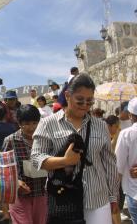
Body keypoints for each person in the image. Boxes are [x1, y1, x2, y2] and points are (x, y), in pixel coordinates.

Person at [31, 73, 119, 224]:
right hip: (63, 199)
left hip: (97, 199)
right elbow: (36, 157)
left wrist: (113, 197)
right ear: (67, 95)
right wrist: (64, 161)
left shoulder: (100, 126)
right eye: (80, 100)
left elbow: (109, 163)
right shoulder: (48, 124)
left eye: (89, 101)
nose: (85, 105)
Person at [3, 104, 47, 224]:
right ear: (19, 123)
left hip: (41, 191)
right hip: (20, 195)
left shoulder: (45, 138)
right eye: (26, 124)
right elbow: (4, 168)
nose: (31, 127)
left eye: (34, 123)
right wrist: (16, 181)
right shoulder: (11, 140)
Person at [115, 97, 137, 223]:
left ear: (130, 115)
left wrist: (113, 194)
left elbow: (118, 166)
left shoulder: (126, 134)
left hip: (134, 192)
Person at [105, 115, 122, 224]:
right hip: (108, 180)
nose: (118, 129)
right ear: (111, 126)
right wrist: (118, 135)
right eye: (117, 126)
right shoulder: (105, 136)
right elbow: (111, 150)